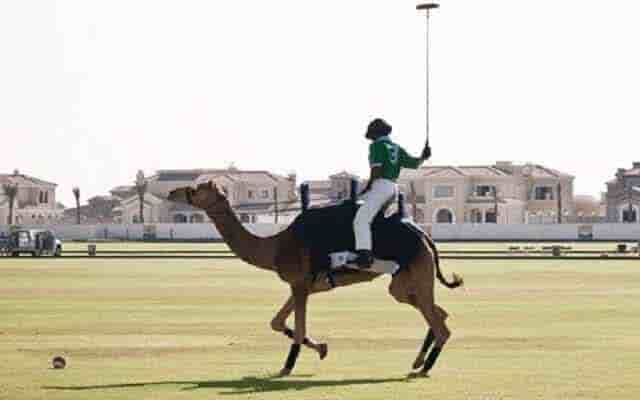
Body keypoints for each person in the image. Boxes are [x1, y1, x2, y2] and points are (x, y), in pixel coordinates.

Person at [354, 118, 431, 268]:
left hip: (380, 186)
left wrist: (368, 187)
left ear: (375, 132)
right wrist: (424, 157)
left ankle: (364, 255)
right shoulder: (396, 147)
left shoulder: (376, 146)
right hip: (393, 188)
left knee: (360, 220)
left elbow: (376, 170)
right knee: (374, 218)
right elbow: (415, 164)